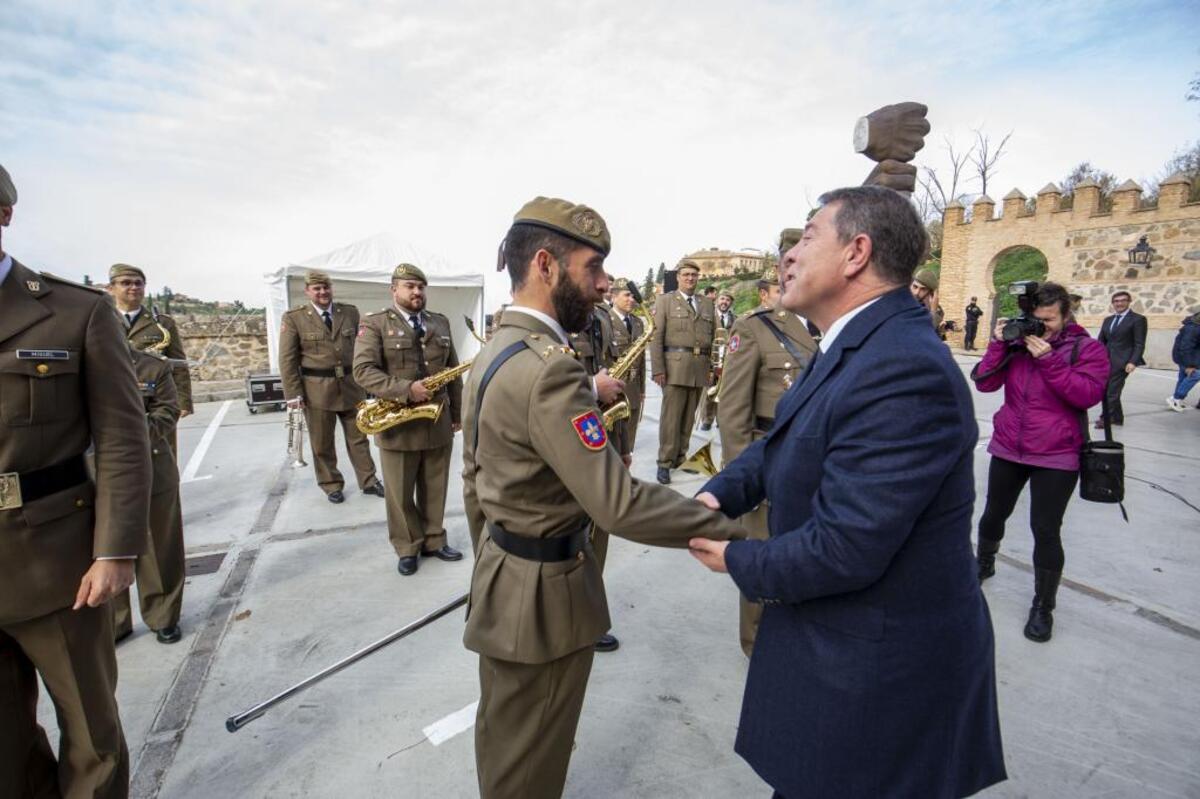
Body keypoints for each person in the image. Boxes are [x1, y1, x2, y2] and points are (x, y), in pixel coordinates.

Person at [688, 186, 1006, 799]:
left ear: (856, 252)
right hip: (839, 656)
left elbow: (845, 547)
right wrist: (719, 495)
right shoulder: (855, 343)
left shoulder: (902, 367)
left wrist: (736, 557)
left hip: (878, 682)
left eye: (809, 237)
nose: (788, 256)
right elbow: (784, 440)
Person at [462, 196, 743, 799]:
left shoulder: (491, 354)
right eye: (593, 268)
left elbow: (474, 481)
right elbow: (618, 505)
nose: (603, 284)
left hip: (504, 581)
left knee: (506, 741)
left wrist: (493, 560)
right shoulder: (551, 371)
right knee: (532, 759)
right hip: (545, 599)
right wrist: (738, 532)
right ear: (546, 264)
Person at [0, 163, 153, 798]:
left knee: (91, 740)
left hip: (57, 564)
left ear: (4, 213)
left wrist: (115, 549)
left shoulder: (74, 311)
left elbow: (122, 436)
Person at [972, 282, 1108, 642]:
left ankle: (1043, 605)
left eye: (1048, 320)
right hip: (1009, 446)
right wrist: (1000, 344)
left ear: (1066, 316)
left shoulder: (1087, 348)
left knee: (1045, 530)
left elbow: (1087, 394)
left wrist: (1048, 360)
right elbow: (984, 384)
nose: (1040, 326)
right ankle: (983, 564)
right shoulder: (1017, 345)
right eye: (1035, 319)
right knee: (992, 514)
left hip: (1056, 454)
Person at [716, 264, 815, 656]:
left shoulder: (832, 324)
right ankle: (757, 646)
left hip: (813, 461)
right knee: (762, 554)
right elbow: (733, 410)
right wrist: (746, 483)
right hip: (769, 456)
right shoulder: (755, 327)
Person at [353, 263, 463, 575]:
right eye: (409, 286)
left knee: (435, 486)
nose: (416, 292)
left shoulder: (439, 322)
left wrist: (457, 413)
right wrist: (405, 389)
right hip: (397, 422)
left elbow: (452, 373)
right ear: (394, 290)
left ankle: (434, 539)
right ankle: (407, 546)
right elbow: (362, 370)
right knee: (400, 494)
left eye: (420, 287)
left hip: (436, 419)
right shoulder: (374, 323)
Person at [279, 271, 383, 503]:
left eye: (326, 287)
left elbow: (362, 349)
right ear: (307, 291)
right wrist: (293, 395)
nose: (323, 292)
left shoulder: (349, 312)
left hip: (350, 386)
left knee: (360, 437)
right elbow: (287, 360)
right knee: (322, 442)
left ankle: (369, 480)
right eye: (317, 288)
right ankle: (331, 484)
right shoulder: (294, 318)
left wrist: (370, 381)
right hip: (316, 390)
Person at [112, 347, 186, 645]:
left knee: (159, 544)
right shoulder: (79, 362)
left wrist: (122, 434)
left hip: (151, 462)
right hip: (94, 469)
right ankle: (115, 621)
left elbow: (168, 412)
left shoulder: (152, 366)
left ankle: (163, 615)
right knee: (105, 546)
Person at [649, 260, 716, 483]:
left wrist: (711, 368)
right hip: (674, 367)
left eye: (694, 275)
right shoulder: (665, 301)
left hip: (699, 368)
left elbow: (714, 338)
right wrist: (658, 368)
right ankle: (664, 462)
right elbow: (656, 337)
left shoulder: (706, 304)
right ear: (678, 277)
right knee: (671, 418)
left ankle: (680, 456)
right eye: (686, 275)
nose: (690, 279)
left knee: (689, 417)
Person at [107, 263, 194, 425]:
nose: (133, 287)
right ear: (111, 288)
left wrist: (183, 401)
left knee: (158, 446)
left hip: (155, 402)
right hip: (111, 399)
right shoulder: (100, 322)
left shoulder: (162, 323)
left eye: (138, 283)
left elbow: (179, 364)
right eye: (126, 283)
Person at [607, 278, 646, 460]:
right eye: (626, 295)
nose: (631, 299)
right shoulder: (605, 319)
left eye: (633, 295)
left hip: (633, 387)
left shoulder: (638, 323)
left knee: (629, 437)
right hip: (613, 389)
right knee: (613, 437)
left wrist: (642, 389)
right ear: (614, 297)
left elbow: (642, 360)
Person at [1095, 290, 1147, 427]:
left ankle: (1105, 418)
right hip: (1106, 360)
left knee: (1111, 391)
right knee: (1109, 389)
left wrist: (1133, 361)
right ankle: (1117, 418)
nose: (1119, 303)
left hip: (1123, 362)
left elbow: (1139, 343)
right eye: (1116, 301)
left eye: (1123, 300)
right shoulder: (1108, 320)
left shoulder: (1138, 319)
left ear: (1129, 302)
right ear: (1113, 303)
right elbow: (1101, 341)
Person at [700, 289, 736, 431]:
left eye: (728, 300)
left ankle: (722, 418)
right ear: (717, 300)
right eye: (722, 299)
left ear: (731, 303)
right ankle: (707, 419)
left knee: (725, 391)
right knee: (710, 389)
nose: (724, 302)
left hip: (727, 360)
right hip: (711, 358)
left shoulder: (736, 319)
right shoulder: (708, 317)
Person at [1167, 310, 1200, 411]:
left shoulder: (1193, 325)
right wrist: (1190, 364)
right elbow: (1186, 347)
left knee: (1183, 377)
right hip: (1188, 358)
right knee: (1195, 375)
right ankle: (1176, 398)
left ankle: (1177, 400)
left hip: (1186, 357)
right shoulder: (1193, 328)